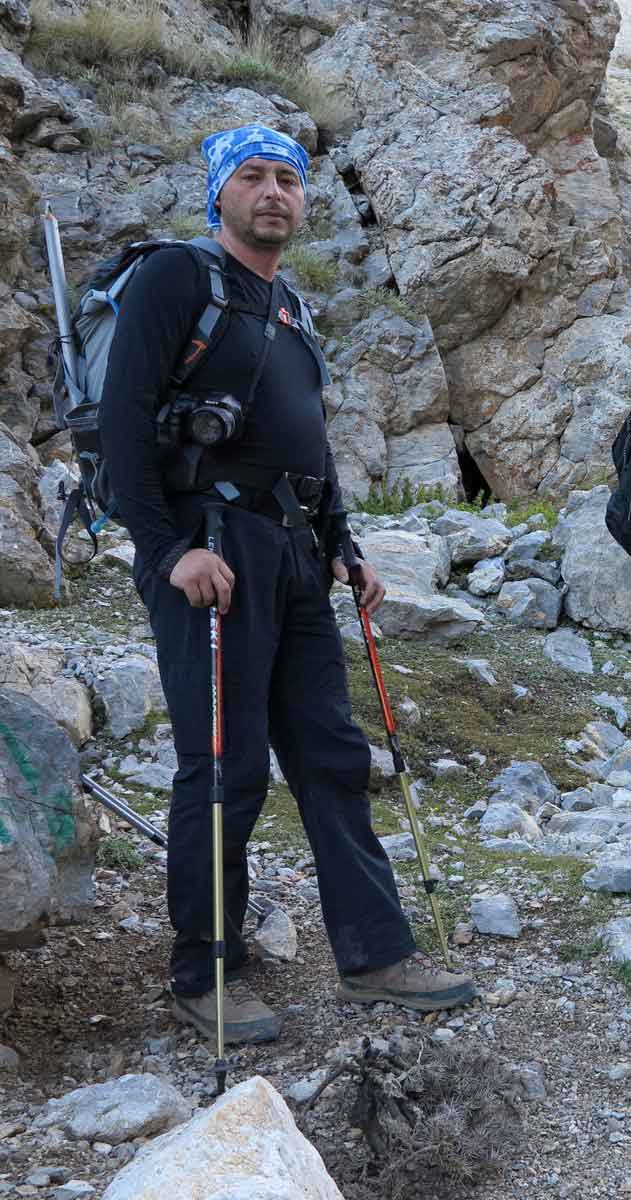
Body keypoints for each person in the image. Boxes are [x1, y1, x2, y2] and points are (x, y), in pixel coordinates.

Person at [102, 123, 474, 1045]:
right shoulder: (177, 279)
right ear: (219, 193)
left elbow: (312, 443)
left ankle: (376, 953)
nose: (275, 192)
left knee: (332, 755)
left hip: (297, 553)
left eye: (290, 180)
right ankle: (206, 972)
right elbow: (123, 423)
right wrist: (168, 551)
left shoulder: (292, 308)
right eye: (255, 177)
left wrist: (345, 546)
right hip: (211, 552)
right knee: (223, 766)